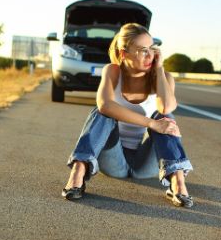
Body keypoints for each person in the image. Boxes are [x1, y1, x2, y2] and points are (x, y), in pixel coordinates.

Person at [61, 23, 194, 208]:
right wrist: (151, 124)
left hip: (145, 165)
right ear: (124, 54)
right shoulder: (112, 71)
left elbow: (167, 107)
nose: (150, 55)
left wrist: (159, 69)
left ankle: (177, 182)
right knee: (101, 111)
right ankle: (79, 171)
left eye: (152, 48)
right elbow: (105, 105)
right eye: (142, 50)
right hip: (113, 160)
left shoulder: (163, 77)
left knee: (164, 116)